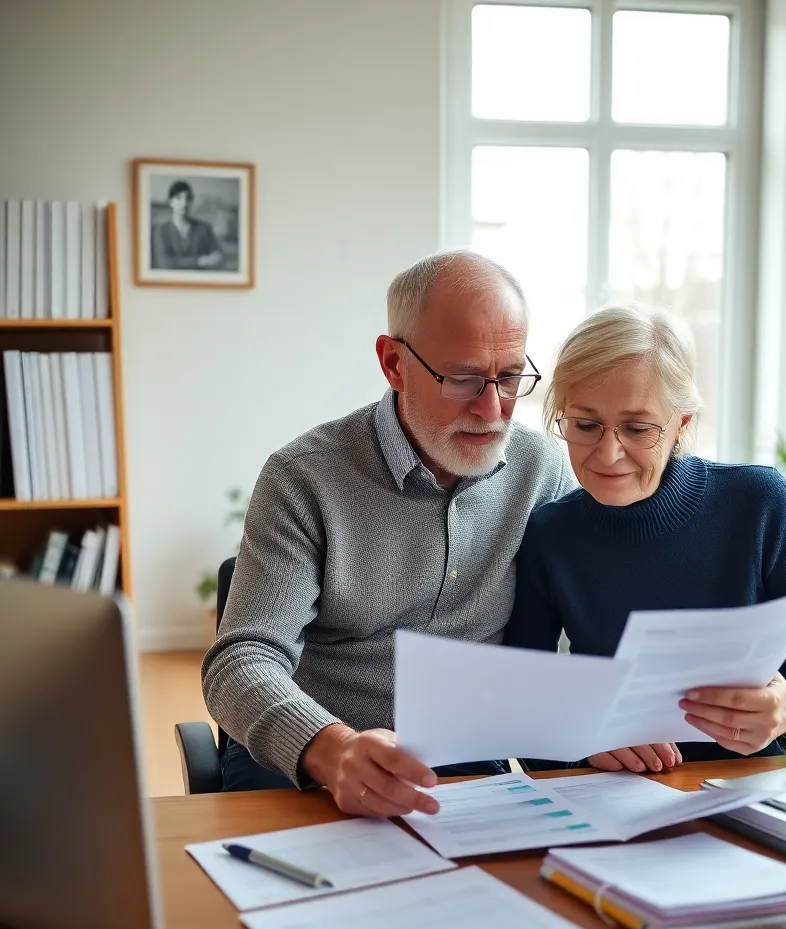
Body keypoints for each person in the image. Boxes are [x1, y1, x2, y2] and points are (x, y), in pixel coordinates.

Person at [202, 251, 573, 815]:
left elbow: (581, 630)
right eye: (464, 379)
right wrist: (332, 749)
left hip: (461, 760)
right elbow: (240, 661)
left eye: (510, 377)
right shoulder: (304, 477)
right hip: (310, 758)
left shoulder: (541, 471)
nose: (493, 409)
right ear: (394, 364)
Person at [505, 304, 786, 773]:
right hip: (616, 797)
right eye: (585, 425)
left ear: (681, 423)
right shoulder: (550, 534)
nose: (608, 453)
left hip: (755, 791)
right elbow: (522, 707)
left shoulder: (760, 503)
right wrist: (579, 741)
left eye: (637, 428)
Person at [152, 180, 224, 270]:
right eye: (178, 198)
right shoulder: (162, 230)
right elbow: (165, 263)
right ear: (170, 202)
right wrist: (200, 261)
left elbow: (218, 255)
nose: (184, 204)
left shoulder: (204, 229)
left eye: (188, 199)